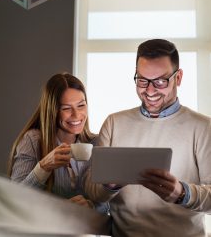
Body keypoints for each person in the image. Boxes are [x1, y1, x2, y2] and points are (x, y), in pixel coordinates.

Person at [86, 39, 211, 236]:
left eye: (160, 81)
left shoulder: (203, 127)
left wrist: (182, 194)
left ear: (178, 78)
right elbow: (92, 192)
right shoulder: (113, 123)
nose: (150, 91)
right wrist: (109, 185)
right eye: (143, 80)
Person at [7, 72, 107, 212]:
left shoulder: (98, 142)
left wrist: (91, 206)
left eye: (81, 105)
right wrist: (43, 167)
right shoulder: (32, 140)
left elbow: (110, 202)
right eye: (66, 108)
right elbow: (14, 200)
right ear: (52, 111)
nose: (77, 115)